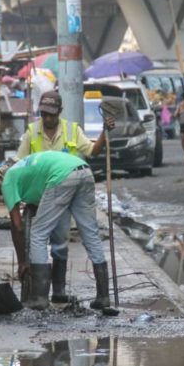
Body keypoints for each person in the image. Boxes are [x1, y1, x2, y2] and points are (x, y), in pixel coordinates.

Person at [15, 90, 113, 303]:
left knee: (64, 240)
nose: (48, 119)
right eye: (44, 114)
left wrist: (105, 133)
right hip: (44, 196)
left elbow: (92, 151)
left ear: (59, 112)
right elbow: (19, 163)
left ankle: (61, 293)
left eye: (51, 114)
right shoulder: (32, 132)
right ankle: (49, 294)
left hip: (66, 191)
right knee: (53, 239)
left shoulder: (72, 129)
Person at [0, 151, 110, 311]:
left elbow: (17, 225)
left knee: (38, 234)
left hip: (61, 176)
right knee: (90, 233)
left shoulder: (8, 179)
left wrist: (22, 261)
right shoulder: (26, 169)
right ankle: (103, 296)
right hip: (84, 170)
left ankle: (39, 298)